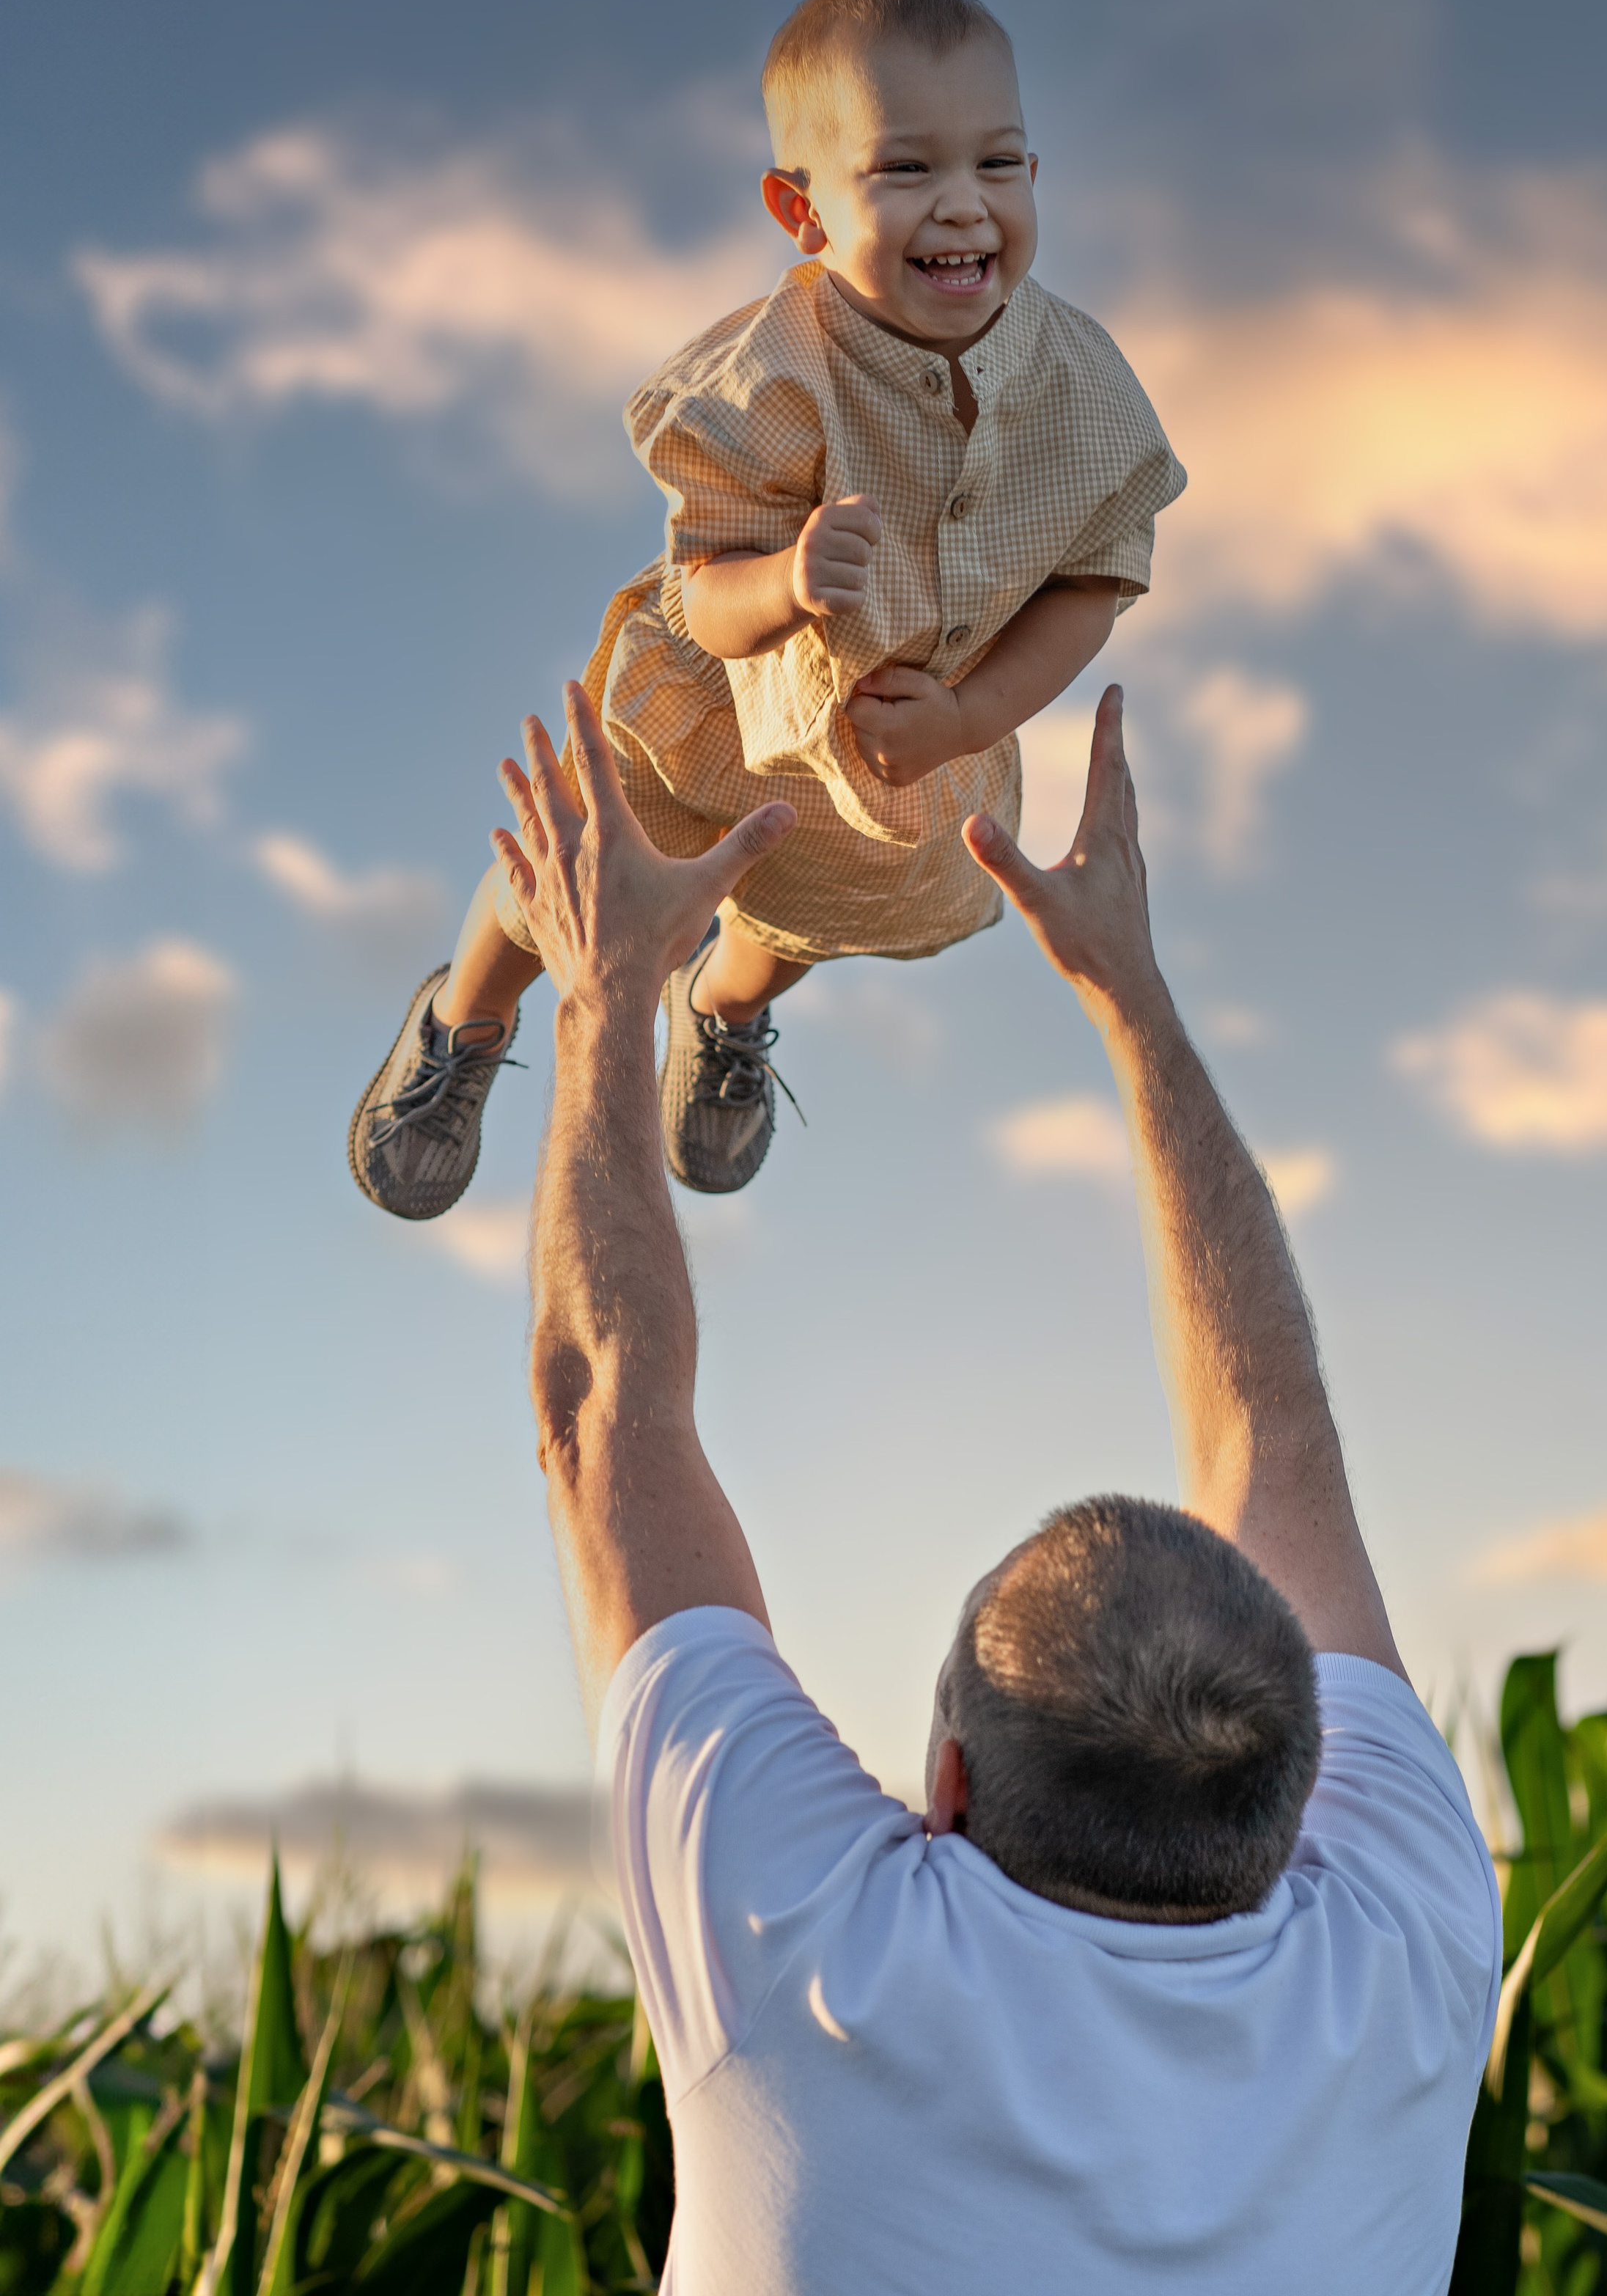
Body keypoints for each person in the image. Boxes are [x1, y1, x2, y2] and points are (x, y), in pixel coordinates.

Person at [496, 674, 1501, 2296]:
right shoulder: (1406, 1954)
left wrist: (1124, 988)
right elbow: (601, 1425)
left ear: (944, 1785)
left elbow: (599, 1406)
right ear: (1302, 1786)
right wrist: (613, 990)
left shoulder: (816, 1967)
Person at [349, 0, 1185, 1219]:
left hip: (905, 739)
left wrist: (969, 720)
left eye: (1001, 165)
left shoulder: (1083, 383)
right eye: (905, 172)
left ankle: (726, 1012)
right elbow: (700, 600)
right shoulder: (771, 376)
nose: (966, 207)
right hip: (716, 704)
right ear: (802, 210)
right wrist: (787, 585)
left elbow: (1093, 582)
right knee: (574, 875)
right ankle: (464, 1015)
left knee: (815, 908)